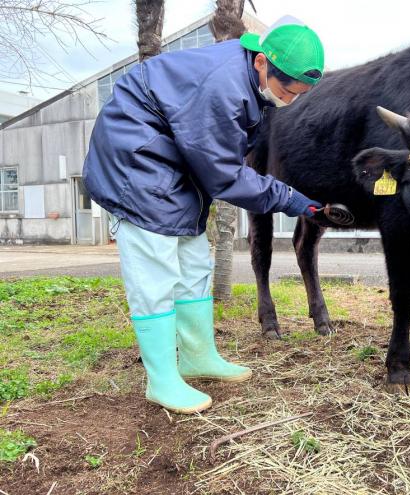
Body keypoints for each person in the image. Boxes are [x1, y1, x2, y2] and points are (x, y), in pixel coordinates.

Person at [82, 16, 325, 414]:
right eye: (287, 90)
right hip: (137, 158)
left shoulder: (251, 81)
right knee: (155, 266)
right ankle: (161, 379)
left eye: (299, 94)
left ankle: (197, 356)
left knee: (194, 260)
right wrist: (292, 200)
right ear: (262, 62)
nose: (290, 100)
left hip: (172, 157)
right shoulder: (222, 88)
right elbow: (226, 176)